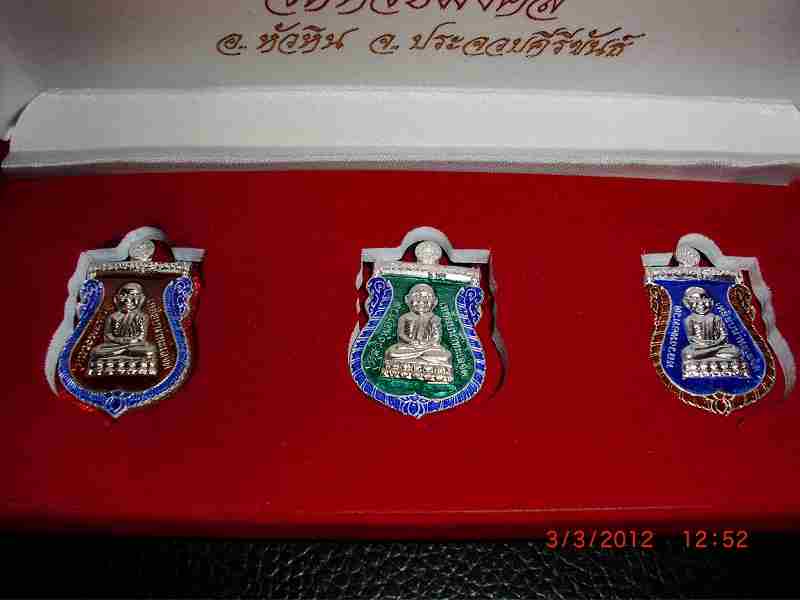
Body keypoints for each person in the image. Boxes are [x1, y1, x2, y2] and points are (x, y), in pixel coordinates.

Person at [384, 283, 452, 366]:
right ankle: (419, 360)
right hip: (409, 347)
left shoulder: (435, 318)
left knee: (445, 356)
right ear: (407, 299)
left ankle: (415, 360)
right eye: (416, 296)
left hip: (428, 348)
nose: (421, 301)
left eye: (427, 297)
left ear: (435, 301)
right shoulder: (404, 317)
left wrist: (427, 343)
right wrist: (411, 341)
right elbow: (401, 334)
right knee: (392, 353)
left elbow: (436, 337)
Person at [90, 282, 157, 361]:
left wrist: (132, 341)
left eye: (133, 295)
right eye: (123, 295)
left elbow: (141, 336)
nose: (128, 299)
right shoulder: (112, 316)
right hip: (115, 345)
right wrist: (118, 340)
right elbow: (108, 335)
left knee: (150, 350)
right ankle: (124, 352)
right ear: (116, 299)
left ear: (141, 299)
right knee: (96, 351)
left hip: (134, 345)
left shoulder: (141, 316)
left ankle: (121, 352)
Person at [681, 286, 741, 362]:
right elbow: (691, 338)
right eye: (695, 299)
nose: (701, 303)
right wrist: (706, 344)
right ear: (688, 304)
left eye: (703, 298)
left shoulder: (716, 318)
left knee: (735, 351)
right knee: (687, 354)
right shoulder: (689, 319)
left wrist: (716, 343)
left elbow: (723, 335)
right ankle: (713, 354)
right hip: (700, 348)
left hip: (717, 345)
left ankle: (709, 355)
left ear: (710, 302)